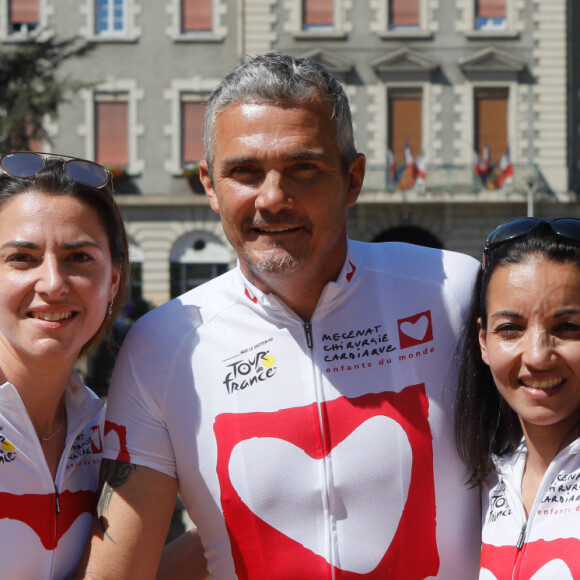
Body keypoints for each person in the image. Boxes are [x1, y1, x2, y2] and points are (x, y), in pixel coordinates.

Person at [80, 52, 481, 579]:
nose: (272, 199)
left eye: (304, 169)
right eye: (244, 172)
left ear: (353, 179)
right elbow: (120, 569)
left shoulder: (455, 290)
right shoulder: (164, 343)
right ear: (209, 185)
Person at [0, 151, 128, 579]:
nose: (53, 283)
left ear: (112, 280)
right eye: (22, 257)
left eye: (79, 257)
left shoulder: (103, 430)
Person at [455, 217, 580, 579]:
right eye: (511, 329)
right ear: (483, 341)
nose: (538, 356)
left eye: (567, 327)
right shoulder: (483, 481)